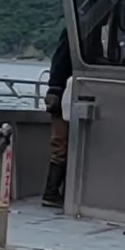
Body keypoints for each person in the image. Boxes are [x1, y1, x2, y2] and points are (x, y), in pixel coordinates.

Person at [42, 28, 72, 207]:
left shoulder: (73, 33)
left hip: (61, 93)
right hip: (62, 94)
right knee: (61, 147)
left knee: (61, 147)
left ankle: (53, 191)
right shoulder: (73, 34)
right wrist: (55, 89)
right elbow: (60, 62)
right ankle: (51, 192)